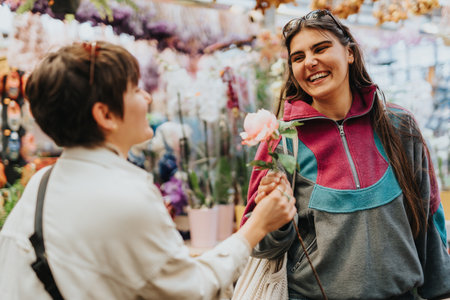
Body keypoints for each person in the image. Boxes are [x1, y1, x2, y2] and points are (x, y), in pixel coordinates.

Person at [0, 41, 297, 299]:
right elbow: (192, 290)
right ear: (105, 114)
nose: (148, 98)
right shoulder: (125, 197)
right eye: (135, 89)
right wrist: (256, 226)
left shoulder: (42, 183)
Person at [241, 9, 450, 300]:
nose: (310, 62)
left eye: (321, 48)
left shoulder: (400, 127)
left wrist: (440, 291)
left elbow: (429, 214)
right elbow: (260, 246)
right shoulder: (281, 140)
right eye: (298, 57)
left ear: (349, 53)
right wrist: (275, 216)